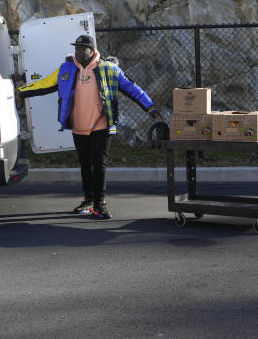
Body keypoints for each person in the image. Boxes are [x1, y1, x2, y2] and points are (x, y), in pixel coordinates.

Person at [17, 34, 162, 220]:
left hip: (101, 124)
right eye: (76, 48)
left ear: (92, 51)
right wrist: (21, 92)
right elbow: (45, 84)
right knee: (85, 164)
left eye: (81, 48)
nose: (77, 51)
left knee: (99, 164)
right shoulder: (66, 69)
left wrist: (151, 109)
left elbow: (134, 89)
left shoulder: (109, 69)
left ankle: (100, 203)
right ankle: (88, 199)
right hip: (78, 125)